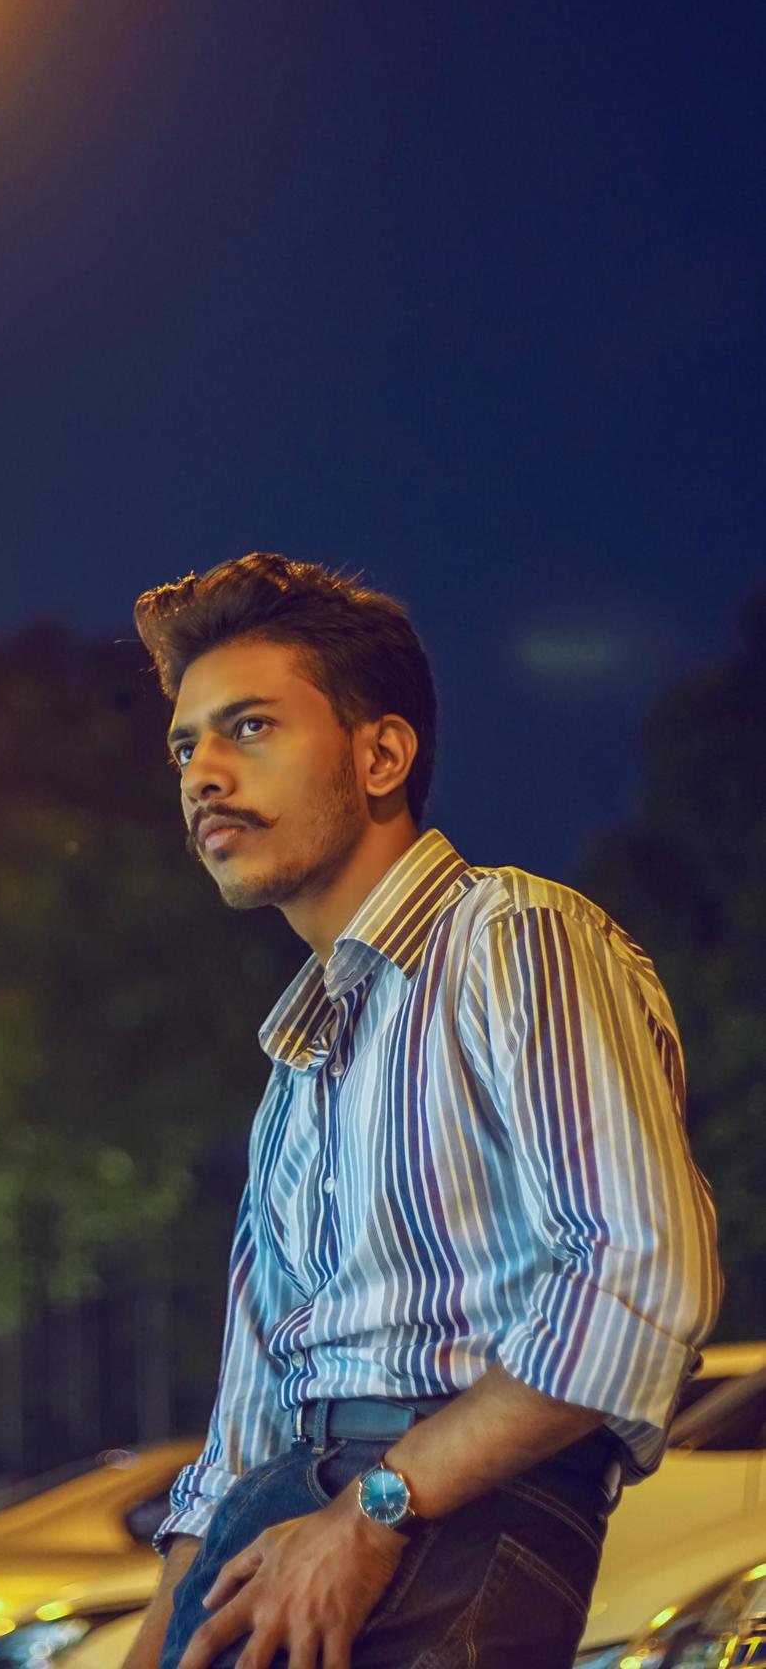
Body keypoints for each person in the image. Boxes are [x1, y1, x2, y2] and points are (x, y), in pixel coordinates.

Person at [123, 553, 721, 1669]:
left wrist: (373, 1512)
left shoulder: (515, 938)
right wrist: (159, 1635)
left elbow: (634, 1269)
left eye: (247, 727)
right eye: (183, 743)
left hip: (447, 1518)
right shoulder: (297, 1060)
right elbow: (249, 1409)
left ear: (381, 752)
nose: (200, 771)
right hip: (275, 1513)